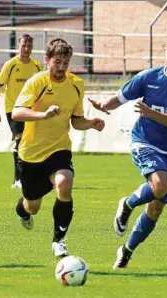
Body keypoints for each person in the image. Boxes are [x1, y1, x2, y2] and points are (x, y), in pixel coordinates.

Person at [88, 32, 167, 269]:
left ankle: (126, 250)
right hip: (144, 141)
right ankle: (128, 204)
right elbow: (120, 97)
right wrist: (103, 106)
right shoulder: (148, 77)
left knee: (156, 207)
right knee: (161, 185)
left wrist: (150, 112)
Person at [12, 38, 105, 258]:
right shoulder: (37, 82)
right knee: (32, 205)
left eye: (66, 62)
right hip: (31, 154)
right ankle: (22, 210)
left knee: (65, 183)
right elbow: (17, 113)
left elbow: (76, 121)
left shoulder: (76, 85)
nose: (62, 67)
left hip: (59, 149)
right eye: (58, 62)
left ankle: (59, 240)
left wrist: (91, 124)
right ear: (47, 60)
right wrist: (42, 115)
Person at [0, 34, 42, 189]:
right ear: (18, 46)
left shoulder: (37, 66)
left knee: (30, 143)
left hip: (30, 110)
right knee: (20, 140)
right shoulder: (11, 64)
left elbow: (42, 88)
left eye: (29, 46)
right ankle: (18, 179)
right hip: (13, 109)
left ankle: (30, 177)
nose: (26, 49)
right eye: (23, 46)